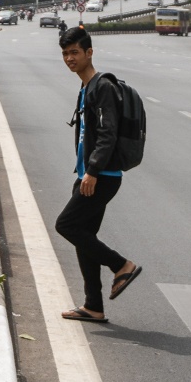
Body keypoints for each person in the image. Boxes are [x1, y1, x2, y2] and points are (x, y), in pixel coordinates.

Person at [54, 25, 139, 322]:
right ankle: (93, 306)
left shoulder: (101, 87)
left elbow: (108, 134)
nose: (69, 58)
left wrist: (91, 172)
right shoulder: (85, 87)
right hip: (89, 173)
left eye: (74, 52)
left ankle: (121, 266)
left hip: (102, 176)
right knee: (84, 236)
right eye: (65, 53)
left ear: (89, 52)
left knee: (66, 225)